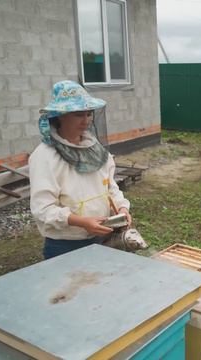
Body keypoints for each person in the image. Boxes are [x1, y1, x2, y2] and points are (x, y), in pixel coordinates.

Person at [29, 80, 133, 259]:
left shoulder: (96, 151)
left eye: (88, 114)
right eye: (78, 114)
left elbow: (110, 188)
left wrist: (122, 209)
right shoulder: (44, 156)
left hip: (104, 235)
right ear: (60, 115)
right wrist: (81, 222)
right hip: (65, 244)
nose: (86, 120)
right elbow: (42, 208)